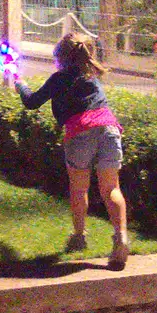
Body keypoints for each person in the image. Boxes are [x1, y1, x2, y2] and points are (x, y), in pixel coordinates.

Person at [14, 32, 132, 270]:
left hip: (80, 132)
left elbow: (32, 102)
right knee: (111, 188)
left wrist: (20, 84)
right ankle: (121, 238)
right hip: (109, 128)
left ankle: (79, 236)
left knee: (79, 188)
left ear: (61, 58)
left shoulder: (58, 78)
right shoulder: (92, 76)